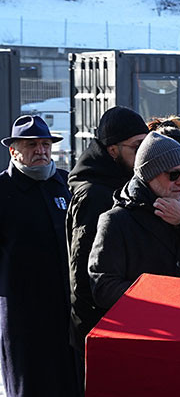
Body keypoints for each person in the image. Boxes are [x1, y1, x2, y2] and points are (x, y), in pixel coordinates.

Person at [0, 116, 79, 397]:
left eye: (45, 144)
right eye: (31, 145)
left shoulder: (63, 184)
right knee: (23, 386)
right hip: (20, 305)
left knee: (62, 383)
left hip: (63, 302)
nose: (41, 151)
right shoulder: (3, 190)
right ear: (14, 151)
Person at [89, 131, 180, 310]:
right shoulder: (117, 221)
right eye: (174, 174)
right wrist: (161, 298)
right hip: (148, 323)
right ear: (149, 175)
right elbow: (104, 286)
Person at [67, 106, 148, 356]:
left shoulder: (127, 183)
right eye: (137, 147)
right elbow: (81, 269)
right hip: (100, 324)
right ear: (112, 150)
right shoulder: (93, 194)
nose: (143, 154)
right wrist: (92, 330)